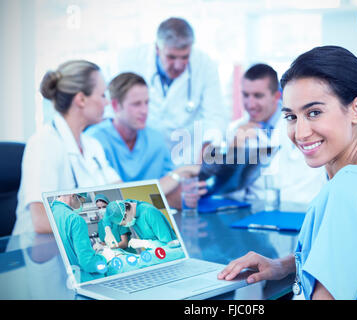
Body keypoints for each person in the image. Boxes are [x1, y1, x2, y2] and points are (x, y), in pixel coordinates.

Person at [218, 46, 357, 300]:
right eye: (291, 116)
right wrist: (282, 266)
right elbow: (352, 257)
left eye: (314, 113)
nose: (300, 133)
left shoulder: (344, 193)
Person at [13, 60, 121, 235]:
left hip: (85, 247)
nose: (107, 103)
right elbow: (41, 221)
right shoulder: (44, 143)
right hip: (40, 254)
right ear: (81, 99)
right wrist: (104, 221)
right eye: (102, 95)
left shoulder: (92, 145)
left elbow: (121, 194)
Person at [86, 72, 206, 209]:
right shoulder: (94, 141)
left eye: (147, 103)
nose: (144, 110)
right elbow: (111, 201)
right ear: (115, 106)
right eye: (136, 104)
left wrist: (185, 194)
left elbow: (173, 190)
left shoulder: (155, 139)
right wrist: (177, 175)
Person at [117, 17, 229, 163]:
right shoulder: (131, 60)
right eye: (171, 57)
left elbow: (215, 116)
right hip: (142, 152)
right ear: (157, 48)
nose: (178, 65)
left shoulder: (204, 64)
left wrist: (206, 148)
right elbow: (116, 110)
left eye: (185, 57)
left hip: (188, 154)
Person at [227, 63, 327, 203]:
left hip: (302, 209)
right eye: (245, 95)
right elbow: (232, 194)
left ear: (276, 96)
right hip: (258, 215)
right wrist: (236, 150)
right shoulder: (237, 130)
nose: (250, 104)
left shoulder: (303, 123)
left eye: (258, 96)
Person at [50, 193, 114, 282]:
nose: (81, 205)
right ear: (73, 195)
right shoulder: (75, 219)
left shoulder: (49, 213)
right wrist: (104, 258)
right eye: (82, 201)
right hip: (83, 280)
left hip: (64, 280)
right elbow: (87, 262)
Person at [103, 199, 179, 250]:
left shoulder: (149, 212)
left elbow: (169, 244)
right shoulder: (125, 205)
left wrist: (145, 243)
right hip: (155, 252)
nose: (125, 225)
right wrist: (108, 231)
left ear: (125, 214)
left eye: (123, 224)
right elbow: (108, 214)